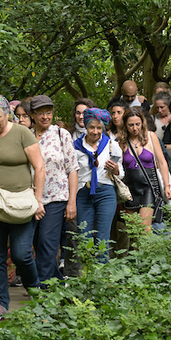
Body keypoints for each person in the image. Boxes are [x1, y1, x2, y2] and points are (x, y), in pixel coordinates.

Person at [0, 95, 45, 322]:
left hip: (21, 205)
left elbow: (39, 166)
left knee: (22, 254)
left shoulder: (23, 134)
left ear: (7, 114)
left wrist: (38, 200)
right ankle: (0, 303)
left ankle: (35, 291)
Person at [29, 95, 80, 281]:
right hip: (30, 198)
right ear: (32, 115)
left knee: (47, 244)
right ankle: (56, 284)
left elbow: (72, 169)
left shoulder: (61, 134)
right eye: (40, 113)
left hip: (56, 198)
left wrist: (71, 202)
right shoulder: (25, 135)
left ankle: (41, 290)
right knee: (34, 244)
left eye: (48, 112)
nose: (45, 116)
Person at [73, 108, 122, 263]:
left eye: (99, 128)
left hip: (106, 192)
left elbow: (122, 174)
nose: (95, 131)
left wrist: (116, 170)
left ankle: (102, 280)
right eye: (92, 127)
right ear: (85, 127)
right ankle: (88, 276)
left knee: (102, 238)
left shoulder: (111, 145)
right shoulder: (75, 147)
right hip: (83, 193)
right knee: (84, 237)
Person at [118, 108, 171, 234]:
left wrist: (167, 186)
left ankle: (147, 253)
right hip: (130, 189)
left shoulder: (150, 136)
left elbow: (162, 162)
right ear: (125, 125)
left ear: (142, 123)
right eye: (131, 125)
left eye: (137, 124)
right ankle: (139, 254)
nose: (135, 128)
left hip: (148, 187)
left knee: (144, 229)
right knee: (134, 232)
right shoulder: (121, 141)